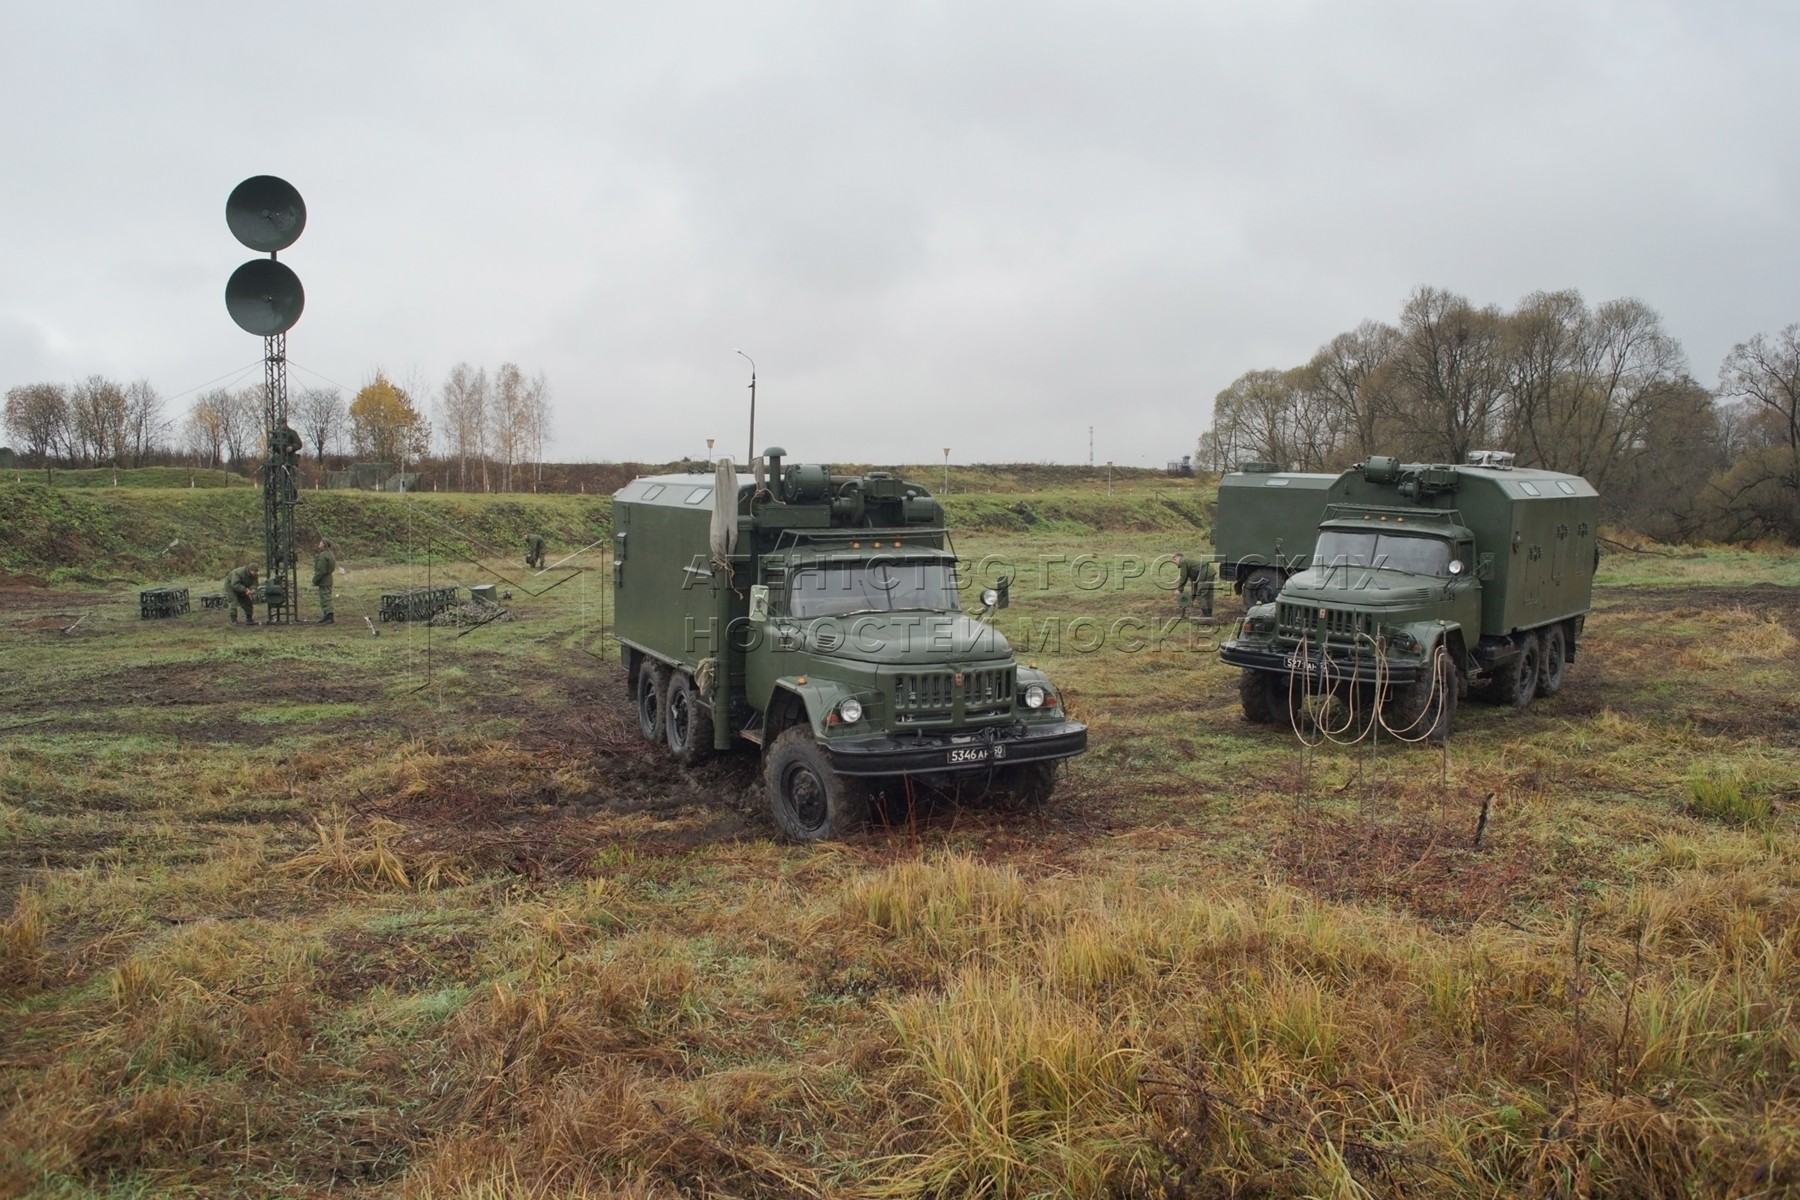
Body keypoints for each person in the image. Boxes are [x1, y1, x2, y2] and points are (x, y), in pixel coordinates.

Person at [1172, 551, 1216, 619]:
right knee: (1208, 595)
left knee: (1201, 594)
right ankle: (1209, 615)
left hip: (1204, 573)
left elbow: (1183, 577)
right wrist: (1193, 594)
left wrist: (1179, 590)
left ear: (1180, 557)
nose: (1174, 562)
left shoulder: (1184, 562)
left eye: (1175, 559)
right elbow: (1194, 581)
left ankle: (1206, 615)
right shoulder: (1189, 563)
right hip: (1210, 572)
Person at [312, 537, 337, 624]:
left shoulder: (323, 556)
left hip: (324, 580)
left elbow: (320, 570)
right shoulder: (330, 554)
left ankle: (329, 616)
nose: (319, 544)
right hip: (328, 578)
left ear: (323, 544)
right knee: (327, 597)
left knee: (325, 598)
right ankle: (327, 615)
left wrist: (315, 580)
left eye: (320, 542)